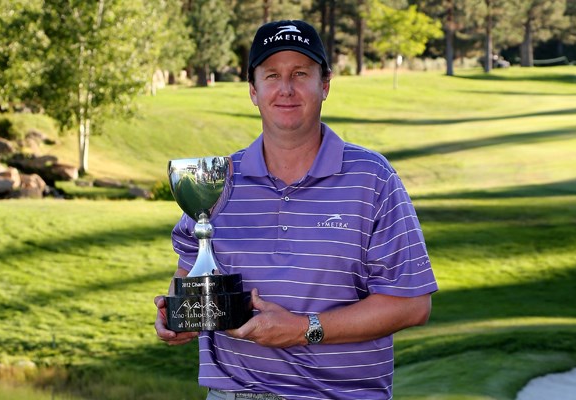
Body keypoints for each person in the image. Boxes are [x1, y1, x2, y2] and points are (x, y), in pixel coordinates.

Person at [155, 19, 438, 400]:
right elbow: (190, 270)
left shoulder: (372, 177)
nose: (285, 89)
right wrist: (178, 316)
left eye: (300, 74)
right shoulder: (217, 179)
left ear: (325, 84)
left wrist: (305, 329)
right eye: (272, 75)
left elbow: (413, 304)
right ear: (253, 90)